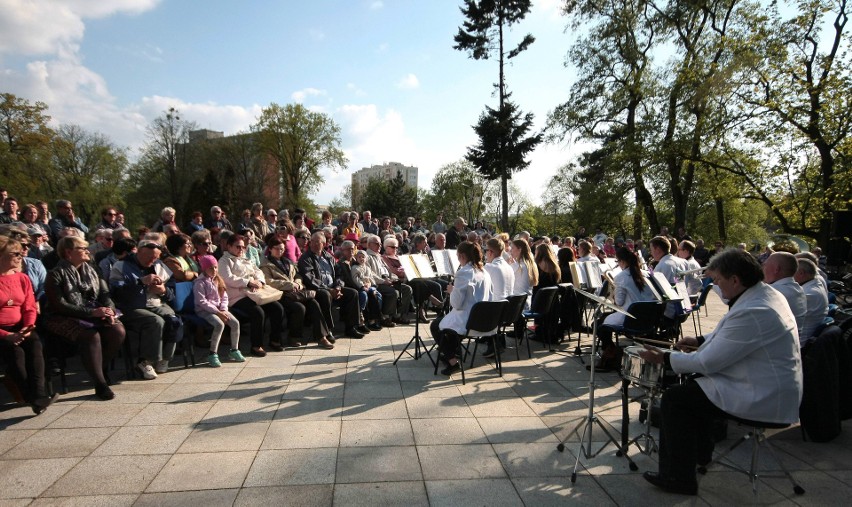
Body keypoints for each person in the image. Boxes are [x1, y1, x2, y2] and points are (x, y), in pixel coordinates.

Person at [639, 248, 802, 496]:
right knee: (694, 387)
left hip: (764, 392)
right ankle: (700, 454)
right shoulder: (762, 294)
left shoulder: (755, 310)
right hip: (763, 380)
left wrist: (665, 358)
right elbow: (730, 333)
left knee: (676, 399)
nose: (716, 286)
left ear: (735, 280)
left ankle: (678, 477)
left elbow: (707, 363)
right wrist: (701, 339)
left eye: (718, 281)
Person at [43, 236, 126, 399]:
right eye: (82, 248)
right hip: (62, 316)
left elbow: (104, 294)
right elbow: (59, 305)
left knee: (118, 330)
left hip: (93, 312)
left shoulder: (92, 270)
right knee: (91, 336)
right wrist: (91, 313)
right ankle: (100, 384)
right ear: (68, 252)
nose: (87, 251)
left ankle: (98, 369)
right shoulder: (55, 274)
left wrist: (109, 310)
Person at [0, 235, 57, 414]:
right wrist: (7, 334)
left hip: (21, 326)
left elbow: (30, 307)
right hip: (2, 332)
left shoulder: (22, 278)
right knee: (15, 352)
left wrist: (27, 327)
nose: (20, 256)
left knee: (34, 344)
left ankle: (38, 395)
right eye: (15, 253)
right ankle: (32, 397)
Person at [110, 240, 183, 379]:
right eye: (149, 257)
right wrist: (140, 282)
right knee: (155, 321)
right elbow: (116, 292)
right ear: (139, 251)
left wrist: (163, 291)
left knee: (173, 320)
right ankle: (145, 361)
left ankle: (164, 358)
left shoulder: (159, 265)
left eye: (155, 257)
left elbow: (171, 294)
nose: (152, 260)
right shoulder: (121, 266)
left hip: (155, 302)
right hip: (131, 306)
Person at [429, 241, 493, 375]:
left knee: (435, 325)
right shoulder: (484, 272)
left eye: (458, 256)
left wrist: (452, 290)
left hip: (469, 321)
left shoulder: (463, 273)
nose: (458, 259)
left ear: (462, 256)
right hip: (484, 320)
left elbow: (456, 304)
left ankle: (453, 361)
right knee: (449, 326)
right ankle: (450, 352)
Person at [591, 247, 658, 371]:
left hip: (630, 317)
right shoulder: (646, 274)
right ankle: (611, 352)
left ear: (622, 261)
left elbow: (619, 302)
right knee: (603, 320)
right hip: (647, 317)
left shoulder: (621, 276)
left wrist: (613, 295)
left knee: (598, 325)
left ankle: (612, 353)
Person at [219, 234, 287, 357]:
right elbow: (228, 279)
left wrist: (260, 281)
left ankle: (274, 339)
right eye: (238, 247)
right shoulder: (224, 261)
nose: (241, 250)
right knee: (258, 312)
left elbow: (258, 271)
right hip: (237, 296)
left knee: (277, 307)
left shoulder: (245, 258)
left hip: (255, 293)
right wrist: (248, 282)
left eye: (243, 247)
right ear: (229, 246)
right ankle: (256, 345)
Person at [261, 237, 334, 349]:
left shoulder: (287, 262)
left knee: (314, 303)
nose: (280, 251)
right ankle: (294, 336)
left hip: (296, 292)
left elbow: (298, 275)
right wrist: (290, 285)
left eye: (282, 249)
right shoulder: (265, 264)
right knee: (299, 308)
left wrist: (298, 283)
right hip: (281, 294)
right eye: (277, 249)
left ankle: (321, 337)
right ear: (270, 249)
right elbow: (268, 281)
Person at [298, 231, 364, 339]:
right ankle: (328, 330)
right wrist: (329, 289)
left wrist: (338, 287)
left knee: (353, 293)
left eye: (317, 242)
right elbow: (309, 278)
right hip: (317, 289)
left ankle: (351, 327)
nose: (313, 244)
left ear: (323, 244)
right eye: (312, 241)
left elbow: (339, 274)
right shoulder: (306, 258)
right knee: (325, 295)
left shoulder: (329, 257)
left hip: (333, 287)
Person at [193, 255, 244, 367]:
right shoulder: (199, 283)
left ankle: (234, 350)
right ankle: (212, 353)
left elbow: (224, 296)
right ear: (204, 269)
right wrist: (217, 312)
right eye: (211, 268)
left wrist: (223, 309)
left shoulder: (218, 280)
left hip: (219, 309)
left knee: (235, 323)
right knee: (219, 324)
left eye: (215, 267)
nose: (214, 270)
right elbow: (202, 301)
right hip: (204, 311)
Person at [482, 238, 515, 358]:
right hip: (508, 310)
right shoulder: (509, 267)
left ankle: (494, 342)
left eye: (486, 251)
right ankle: (496, 340)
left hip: (495, 313)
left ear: (490, 252)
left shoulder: (490, 267)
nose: (485, 254)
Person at [762, 252, 806, 338]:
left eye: (765, 265)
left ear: (776, 269)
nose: (762, 268)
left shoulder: (773, 292)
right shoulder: (797, 288)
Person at [794, 258, 828, 345]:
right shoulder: (814, 284)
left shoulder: (809, 294)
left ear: (801, 273)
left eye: (791, 272)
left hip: (799, 343)